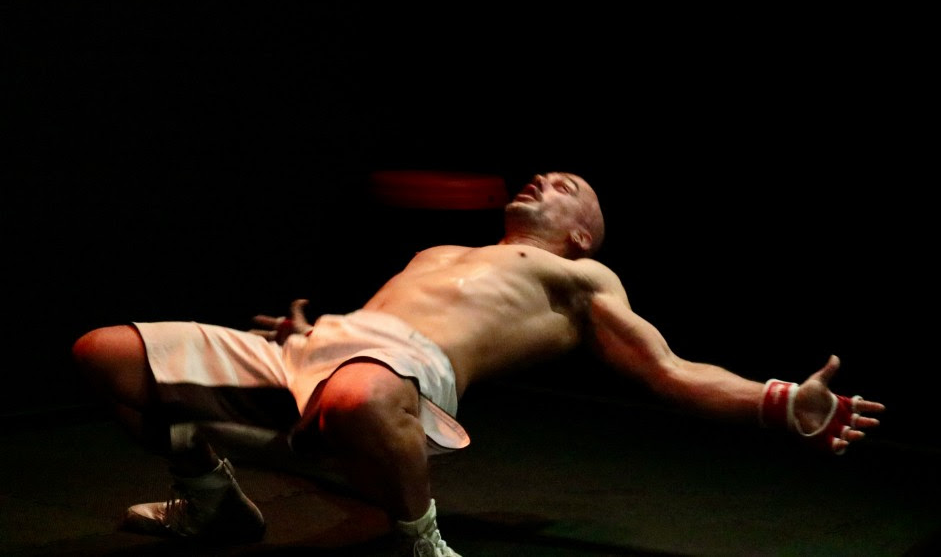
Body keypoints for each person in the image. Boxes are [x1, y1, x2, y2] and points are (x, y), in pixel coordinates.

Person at [72, 171, 885, 557]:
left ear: (582, 234)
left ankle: (421, 542)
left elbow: (668, 371)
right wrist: (308, 332)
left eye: (567, 186)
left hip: (392, 373)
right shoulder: (440, 249)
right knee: (104, 352)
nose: (544, 179)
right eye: (543, 175)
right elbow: (375, 322)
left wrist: (779, 401)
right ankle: (211, 500)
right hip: (320, 351)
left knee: (362, 392)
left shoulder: (577, 277)